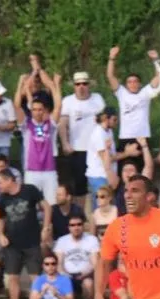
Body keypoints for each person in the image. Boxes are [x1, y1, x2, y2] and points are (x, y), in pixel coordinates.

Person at [0, 169, 52, 299]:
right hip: (12, 244)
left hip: (32, 242)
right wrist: (1, 234)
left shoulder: (29, 190)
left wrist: (45, 227)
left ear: (10, 180)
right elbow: (0, 218)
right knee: (12, 278)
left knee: (35, 277)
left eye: (0, 182)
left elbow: (46, 207)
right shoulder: (2, 198)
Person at [14, 69, 63, 205]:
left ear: (44, 110)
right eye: (34, 110)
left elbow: (58, 106)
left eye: (40, 109)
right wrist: (20, 84)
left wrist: (55, 86)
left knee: (52, 204)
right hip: (32, 171)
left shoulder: (50, 124)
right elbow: (17, 106)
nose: (37, 112)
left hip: (49, 171)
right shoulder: (26, 125)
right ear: (31, 110)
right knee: (31, 205)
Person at [59, 71, 106, 207]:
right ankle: (80, 215)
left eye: (84, 84)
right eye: (78, 84)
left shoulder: (97, 99)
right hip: (77, 148)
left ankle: (99, 213)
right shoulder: (68, 101)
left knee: (98, 182)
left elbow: (104, 120)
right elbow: (63, 124)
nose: (81, 87)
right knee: (79, 186)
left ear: (89, 85)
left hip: (97, 149)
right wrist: (65, 143)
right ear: (74, 86)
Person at [54, 212, 100, 299]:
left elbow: (95, 263)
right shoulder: (62, 240)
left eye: (79, 224)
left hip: (86, 275)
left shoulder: (92, 240)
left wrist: (87, 273)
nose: (76, 227)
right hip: (67, 275)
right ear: (69, 227)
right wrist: (64, 274)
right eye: (73, 225)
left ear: (83, 226)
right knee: (60, 282)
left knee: (88, 284)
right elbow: (59, 263)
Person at [85, 106, 121, 211]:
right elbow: (107, 158)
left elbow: (111, 154)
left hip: (105, 176)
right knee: (99, 210)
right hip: (98, 177)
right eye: (114, 119)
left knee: (108, 210)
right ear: (106, 118)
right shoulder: (98, 133)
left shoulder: (108, 131)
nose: (116, 122)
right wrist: (128, 153)